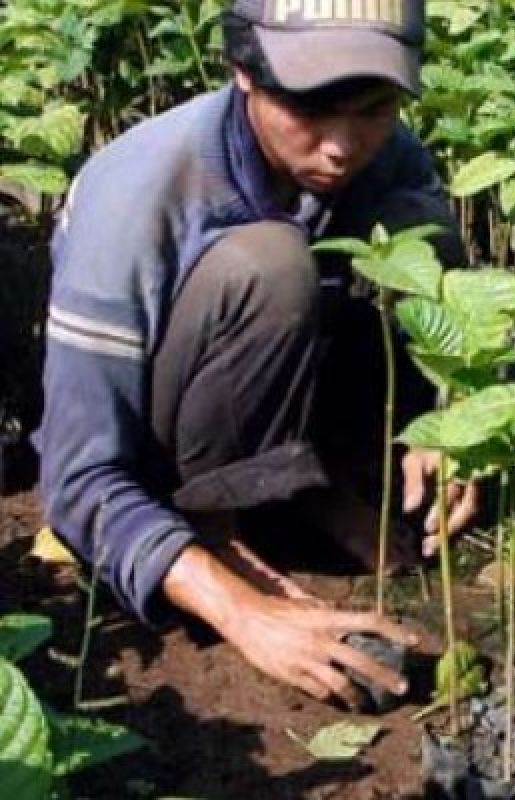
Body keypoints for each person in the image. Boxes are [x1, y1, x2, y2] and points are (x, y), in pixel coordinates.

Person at [35, 0, 477, 708]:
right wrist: (240, 611)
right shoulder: (138, 196)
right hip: (160, 439)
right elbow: (76, 482)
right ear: (243, 74)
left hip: (284, 389)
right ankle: (217, 529)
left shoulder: (387, 154)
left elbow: (454, 308)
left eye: (373, 108)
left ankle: (316, 483)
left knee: (417, 230)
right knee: (269, 264)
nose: (341, 144)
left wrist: (454, 424)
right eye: (311, 108)